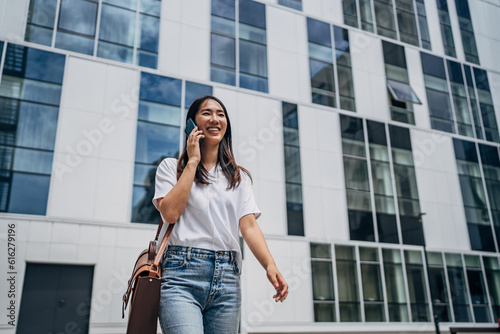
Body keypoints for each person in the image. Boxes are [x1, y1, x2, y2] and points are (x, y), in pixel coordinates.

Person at [152, 95, 288, 334]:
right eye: (206, 113)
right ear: (191, 124)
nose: (215, 119)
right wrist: (193, 160)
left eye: (221, 114)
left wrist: (270, 264)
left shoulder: (239, 177)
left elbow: (249, 227)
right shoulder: (170, 168)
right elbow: (171, 214)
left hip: (227, 278)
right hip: (181, 275)